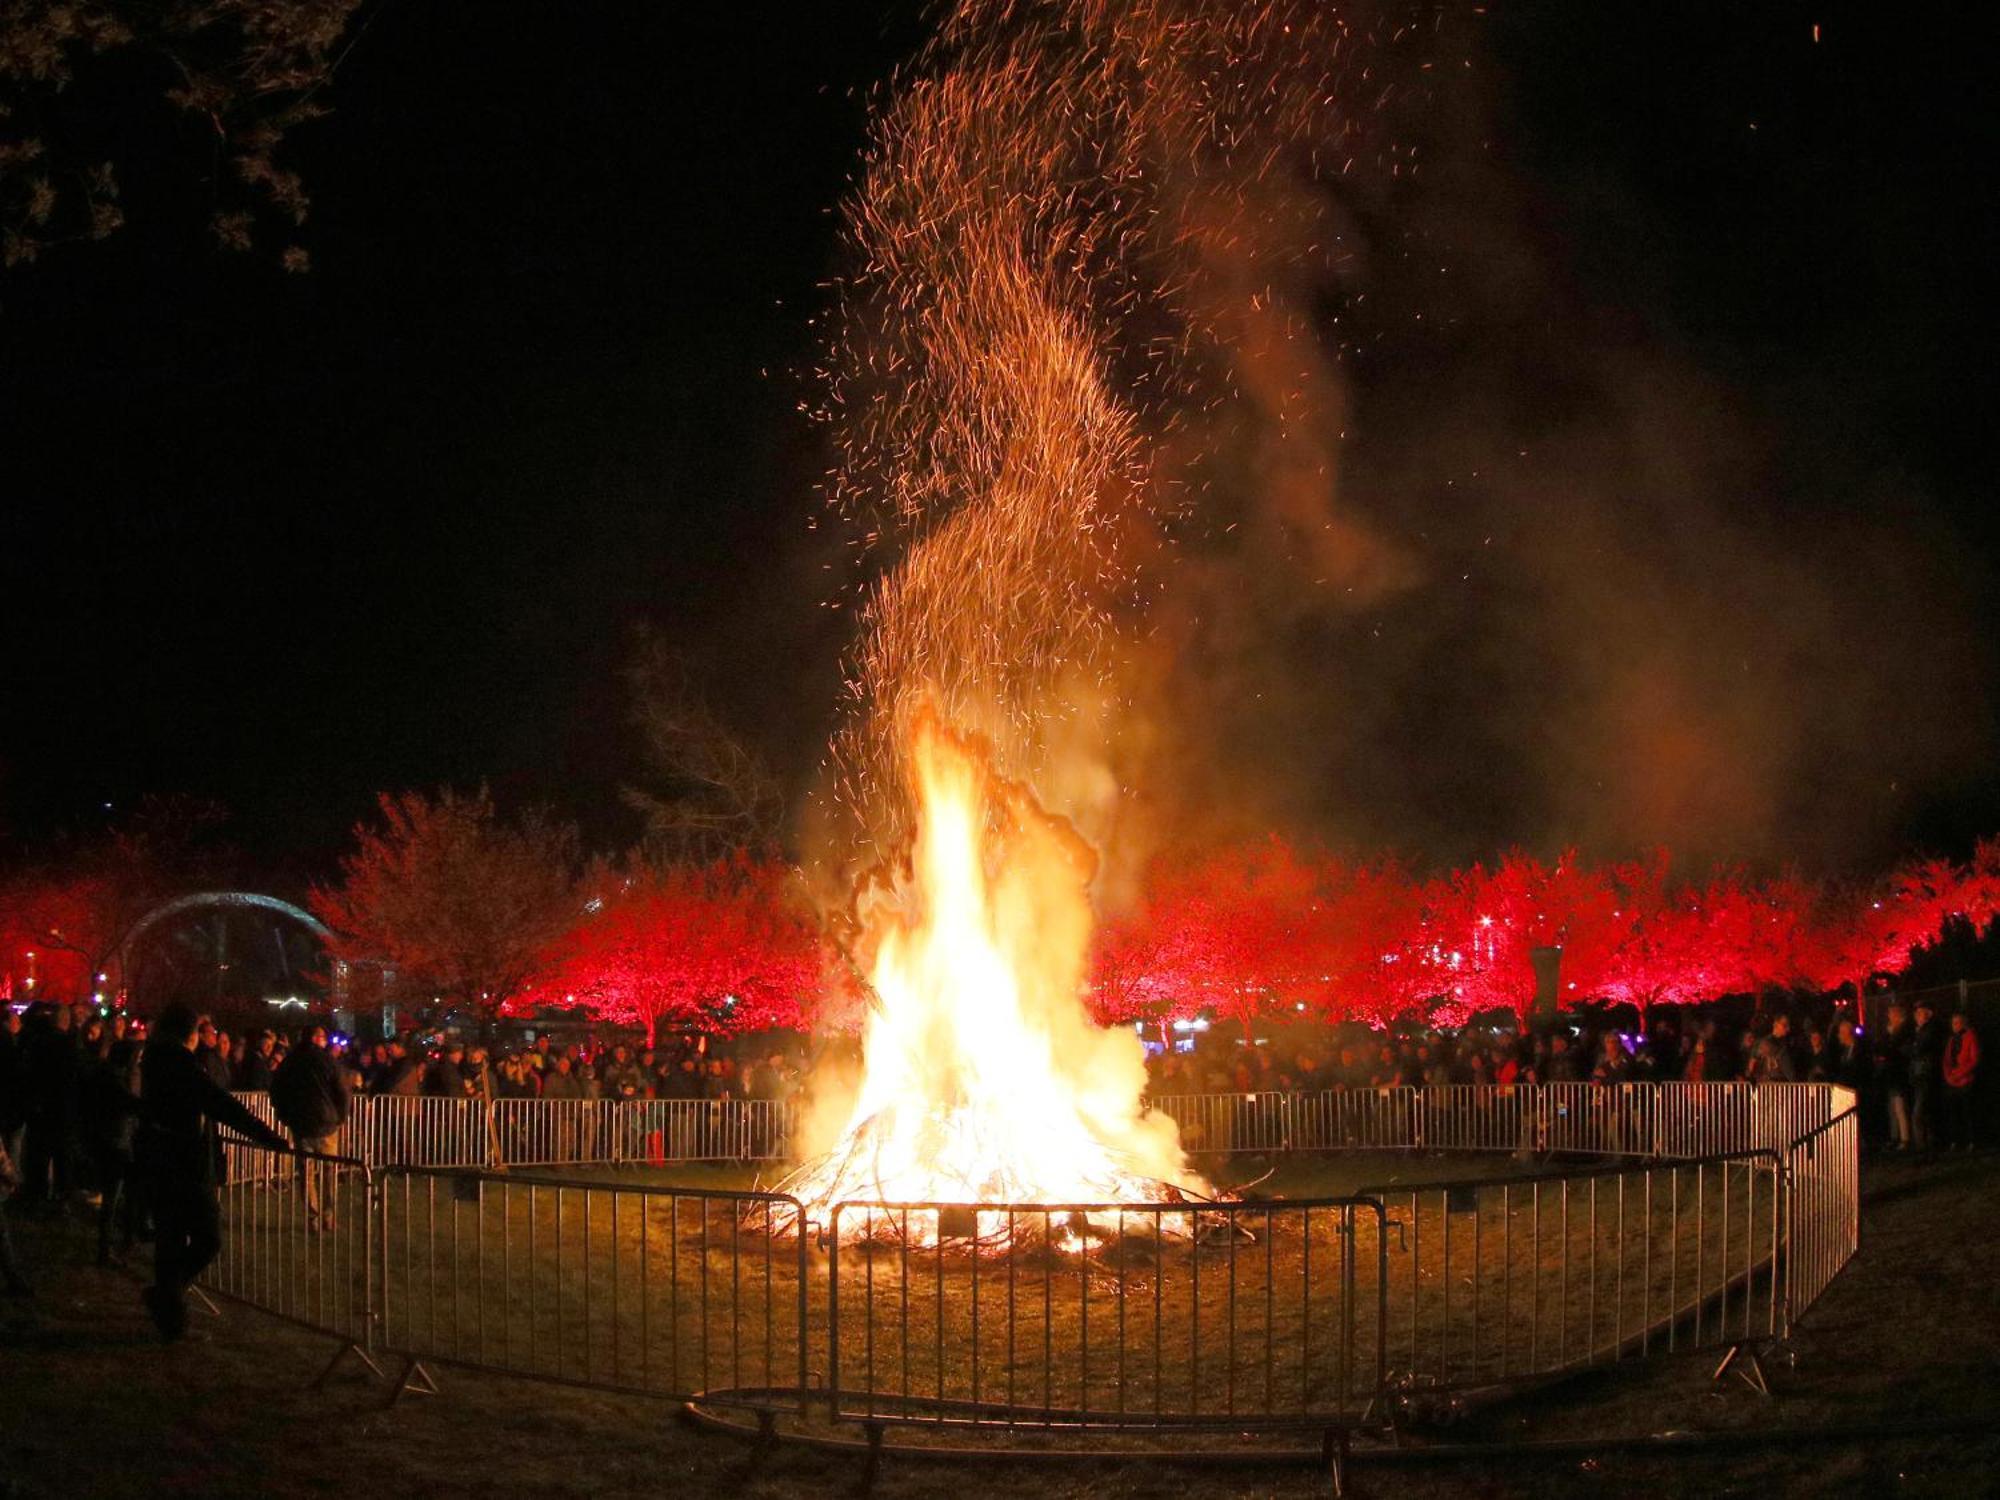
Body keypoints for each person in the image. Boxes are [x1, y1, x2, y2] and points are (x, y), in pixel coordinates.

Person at [136, 1002, 288, 1341]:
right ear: (188, 1034)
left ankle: (169, 1313)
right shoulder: (178, 1064)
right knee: (206, 1238)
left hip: (162, 1161)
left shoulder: (157, 1059)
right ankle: (167, 1299)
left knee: (170, 1241)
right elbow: (219, 1103)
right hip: (183, 1164)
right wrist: (266, 1135)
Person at [270, 1025, 352, 1229]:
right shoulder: (328, 1061)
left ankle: (312, 1216)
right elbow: (343, 1091)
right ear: (316, 1039)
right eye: (323, 1037)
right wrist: (341, 1116)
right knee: (329, 1171)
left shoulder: (291, 1061)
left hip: (301, 1124)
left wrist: (284, 1114)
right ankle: (328, 1214)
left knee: (306, 1173)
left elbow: (276, 1089)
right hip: (326, 1123)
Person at [81, 1039, 145, 1266]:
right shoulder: (112, 1078)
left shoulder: (111, 1075)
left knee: (122, 1195)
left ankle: (121, 1240)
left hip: (118, 1141)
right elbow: (128, 1103)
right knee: (112, 1197)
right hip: (114, 1143)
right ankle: (104, 1249)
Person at [1909, 1000, 1944, 1151]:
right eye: (1916, 1013)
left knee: (1919, 1114)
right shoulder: (1920, 1031)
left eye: (1920, 1013)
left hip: (1925, 1076)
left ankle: (1922, 1147)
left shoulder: (1930, 1031)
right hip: (1920, 1076)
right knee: (1926, 1114)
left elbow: (1919, 1049)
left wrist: (1912, 1048)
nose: (1917, 1016)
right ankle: (1928, 1146)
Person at [1942, 1010, 1979, 1149]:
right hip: (1952, 1080)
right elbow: (1946, 1059)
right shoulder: (1952, 1039)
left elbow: (1974, 1060)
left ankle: (1970, 1140)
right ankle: (1955, 1140)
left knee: (1966, 1112)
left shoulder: (1970, 1037)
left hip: (1965, 1080)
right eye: (1953, 1023)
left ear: (1964, 1023)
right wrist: (1948, 1075)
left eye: (1957, 1023)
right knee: (1953, 1112)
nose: (1955, 1025)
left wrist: (1958, 1074)